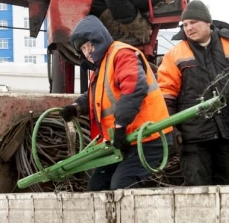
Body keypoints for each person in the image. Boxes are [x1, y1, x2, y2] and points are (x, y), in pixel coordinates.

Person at [59, 15, 173, 191]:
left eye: (89, 45)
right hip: (124, 140)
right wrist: (76, 108)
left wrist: (120, 126)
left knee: (121, 185)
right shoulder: (103, 65)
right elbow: (95, 95)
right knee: (97, 187)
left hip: (148, 137)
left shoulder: (121, 54)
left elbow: (134, 88)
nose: (87, 52)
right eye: (83, 48)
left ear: (99, 39)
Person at [156, 0, 229, 186]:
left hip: (226, 134)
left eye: (193, 22)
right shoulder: (175, 54)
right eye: (185, 25)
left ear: (208, 23)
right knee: (197, 191)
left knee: (227, 188)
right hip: (193, 138)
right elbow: (166, 94)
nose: (188, 28)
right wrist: (172, 129)